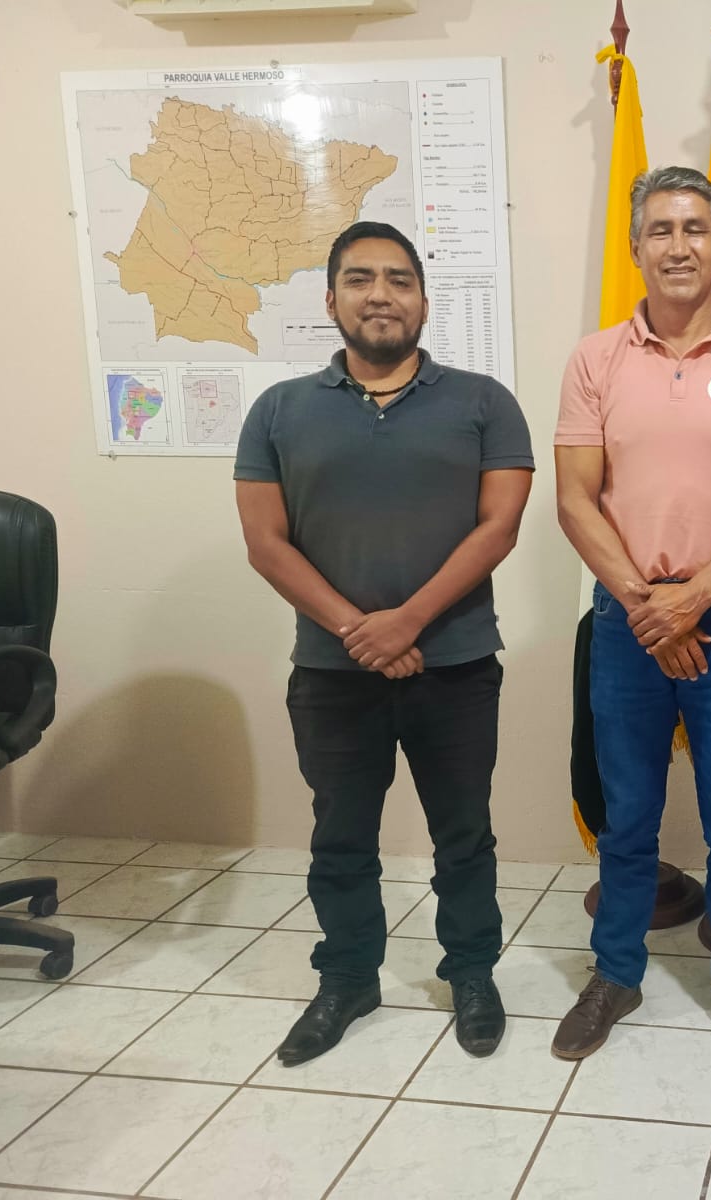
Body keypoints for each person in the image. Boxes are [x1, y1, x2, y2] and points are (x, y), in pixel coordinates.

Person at [234, 221, 534, 1065]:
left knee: (464, 837)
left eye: (400, 280)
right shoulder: (279, 410)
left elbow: (499, 527)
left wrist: (407, 622)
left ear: (424, 303)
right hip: (332, 672)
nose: (381, 295)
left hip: (456, 664)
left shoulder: (484, 403)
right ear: (331, 300)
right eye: (361, 279)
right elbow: (265, 543)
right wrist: (357, 630)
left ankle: (471, 973)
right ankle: (348, 979)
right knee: (341, 840)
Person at [552, 166, 711, 1080]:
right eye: (660, 229)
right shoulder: (595, 360)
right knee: (629, 819)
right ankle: (615, 975)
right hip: (628, 621)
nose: (678, 245)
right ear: (635, 248)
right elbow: (575, 500)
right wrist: (648, 606)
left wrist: (692, 601)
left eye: (695, 227)